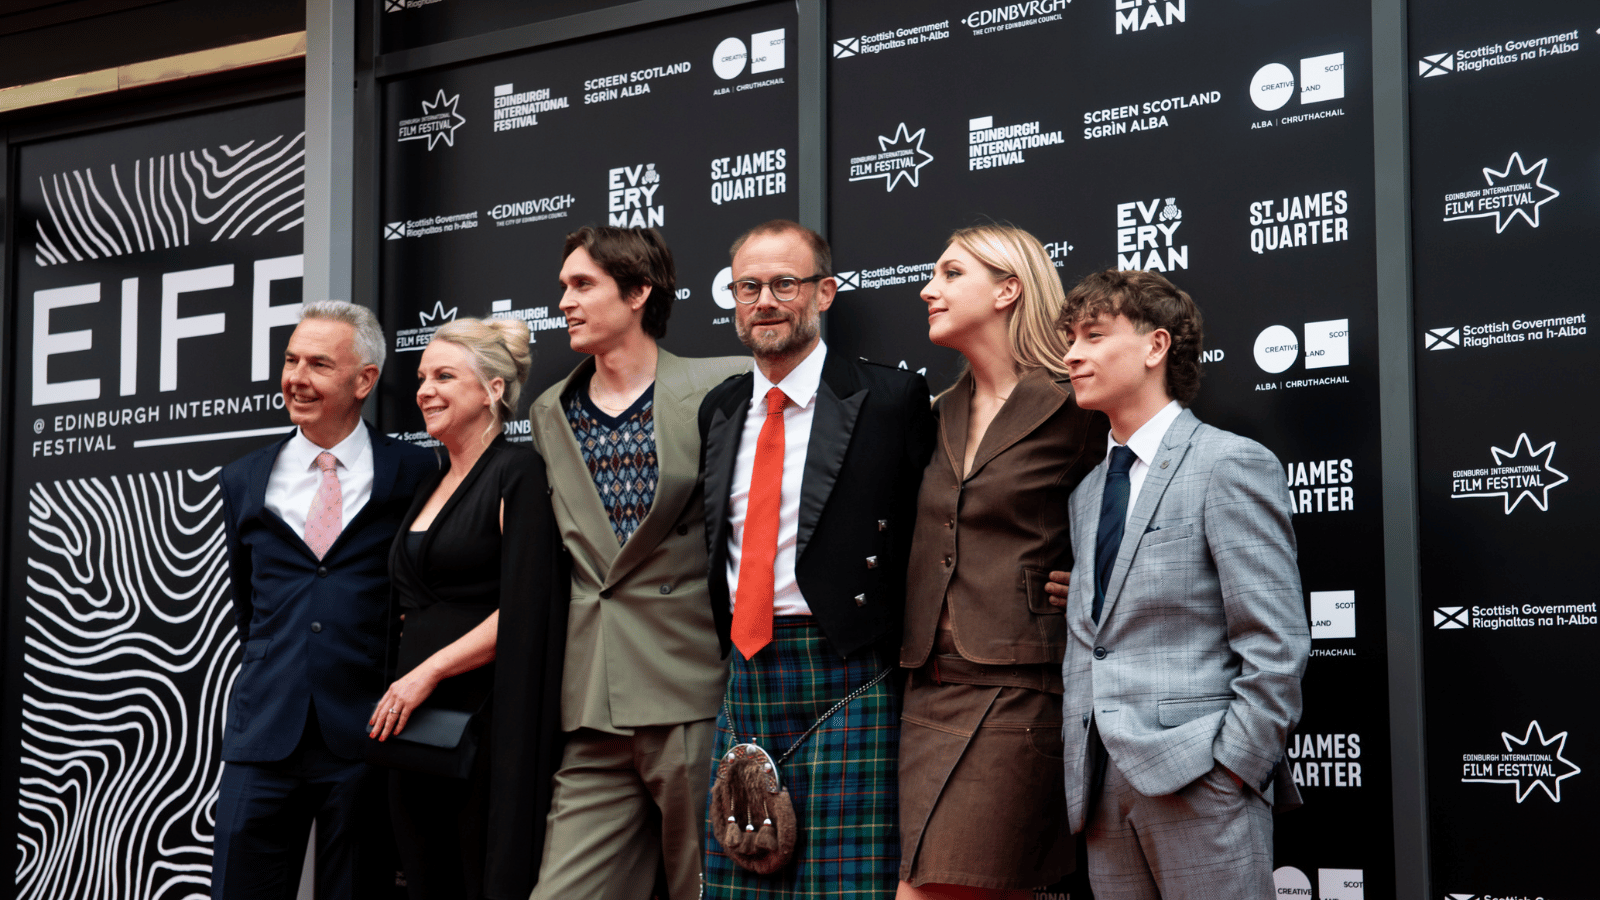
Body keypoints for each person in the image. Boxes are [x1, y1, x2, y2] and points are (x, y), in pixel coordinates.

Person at [1054, 269, 1309, 900]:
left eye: (1093, 335)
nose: (1072, 354)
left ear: (1155, 346)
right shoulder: (1088, 492)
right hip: (1100, 785)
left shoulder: (1228, 462)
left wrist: (1233, 769)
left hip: (1201, 778)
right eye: (1070, 338)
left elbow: (1275, 640)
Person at [700, 220, 935, 898]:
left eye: (784, 283)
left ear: (824, 292)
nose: (765, 300)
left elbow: (932, 535)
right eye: (749, 286)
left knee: (845, 887)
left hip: (848, 666)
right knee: (741, 879)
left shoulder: (889, 400)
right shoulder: (719, 410)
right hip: (748, 670)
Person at [527, 226, 748, 900]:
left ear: (638, 292)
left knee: (708, 889)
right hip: (593, 698)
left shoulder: (721, 386)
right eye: (564, 285)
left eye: (582, 284)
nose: (563, 300)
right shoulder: (549, 409)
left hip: (689, 685)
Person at [896, 225, 1108, 899]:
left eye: (952, 273)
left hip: (1019, 692)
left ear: (1007, 290)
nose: (929, 289)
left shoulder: (1076, 404)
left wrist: (1101, 582)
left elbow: (1148, 505)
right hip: (926, 687)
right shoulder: (934, 412)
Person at [214, 301, 435, 900]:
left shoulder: (415, 471)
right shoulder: (243, 478)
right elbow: (248, 603)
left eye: (318, 364)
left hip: (366, 731)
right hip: (264, 730)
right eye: (290, 360)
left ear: (364, 379)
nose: (297, 378)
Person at [366, 317, 563, 900]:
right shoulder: (432, 480)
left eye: (445, 375)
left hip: (480, 724)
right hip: (410, 725)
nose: (424, 389)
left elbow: (526, 608)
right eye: (423, 376)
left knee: (479, 874)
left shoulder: (516, 472)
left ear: (493, 389)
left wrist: (427, 672)